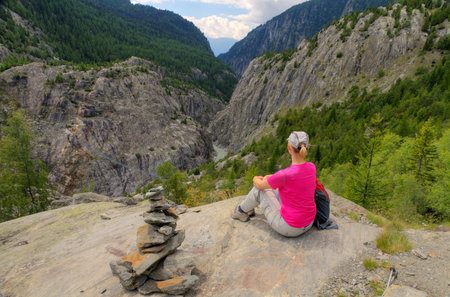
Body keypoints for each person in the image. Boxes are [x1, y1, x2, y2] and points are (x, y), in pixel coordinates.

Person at [231, 131, 316, 237]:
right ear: (307, 147)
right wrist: (270, 178)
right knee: (271, 187)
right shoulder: (312, 167)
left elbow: (260, 185)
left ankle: (240, 211)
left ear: (289, 148)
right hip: (309, 222)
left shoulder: (284, 175)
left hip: (290, 228)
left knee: (259, 191)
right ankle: (248, 209)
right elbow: (293, 181)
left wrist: (255, 178)